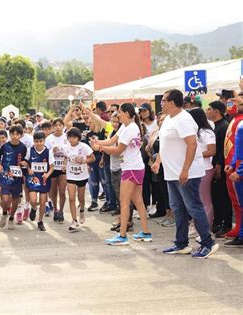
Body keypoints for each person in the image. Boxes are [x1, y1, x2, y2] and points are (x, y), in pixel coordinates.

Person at [153, 89, 219, 258]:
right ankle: (181, 243)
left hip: (186, 173)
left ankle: (207, 243)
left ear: (172, 102)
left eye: (164, 100)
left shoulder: (184, 119)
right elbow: (165, 145)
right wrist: (158, 161)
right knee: (178, 208)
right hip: (172, 173)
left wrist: (185, 170)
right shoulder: (168, 118)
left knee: (193, 207)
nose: (161, 103)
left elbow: (192, 144)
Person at [91, 103, 152, 245]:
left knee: (124, 202)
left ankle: (122, 236)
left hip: (131, 168)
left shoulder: (130, 128)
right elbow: (112, 140)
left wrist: (100, 147)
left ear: (126, 113)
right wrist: (98, 142)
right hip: (135, 167)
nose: (117, 115)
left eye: (119, 112)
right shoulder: (127, 127)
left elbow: (118, 150)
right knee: (138, 201)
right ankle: (146, 232)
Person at [206, 101, 232, 236]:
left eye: (209, 109)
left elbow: (223, 149)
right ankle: (218, 222)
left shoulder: (223, 126)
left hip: (220, 166)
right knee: (216, 196)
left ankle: (226, 224)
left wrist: (218, 165)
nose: (207, 111)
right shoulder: (215, 126)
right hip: (214, 164)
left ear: (216, 111)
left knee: (223, 196)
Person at [188, 108, 216, 233]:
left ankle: (207, 228)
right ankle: (197, 226)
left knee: (204, 199)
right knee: (195, 199)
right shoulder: (195, 132)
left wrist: (194, 154)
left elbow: (211, 151)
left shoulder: (207, 133)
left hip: (205, 169)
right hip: (195, 169)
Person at [63, 127, 95, 232]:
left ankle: (81, 209)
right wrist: (64, 165)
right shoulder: (66, 147)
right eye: (70, 137)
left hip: (82, 175)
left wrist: (83, 161)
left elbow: (93, 158)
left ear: (78, 138)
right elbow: (65, 158)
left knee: (81, 198)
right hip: (70, 176)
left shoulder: (84, 147)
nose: (72, 139)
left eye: (74, 137)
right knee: (71, 198)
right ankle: (74, 221)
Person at [0, 125, 27, 230]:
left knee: (15, 199)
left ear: (21, 135)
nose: (15, 136)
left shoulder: (23, 147)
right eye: (12, 134)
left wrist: (24, 163)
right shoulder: (5, 146)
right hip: (5, 175)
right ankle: (4, 213)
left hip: (17, 177)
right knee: (5, 199)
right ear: (9, 134)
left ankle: (11, 218)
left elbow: (25, 161)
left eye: (17, 134)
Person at [23, 131, 54, 231]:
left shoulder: (48, 152)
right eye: (36, 141)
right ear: (33, 141)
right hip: (33, 178)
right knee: (33, 200)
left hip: (44, 179)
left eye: (41, 141)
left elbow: (52, 167)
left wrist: (47, 174)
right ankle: (33, 208)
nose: (39, 143)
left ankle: (40, 221)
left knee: (42, 201)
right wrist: (28, 169)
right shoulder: (29, 150)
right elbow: (26, 162)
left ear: (44, 141)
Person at [224, 116, 243, 247]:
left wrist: (240, 171)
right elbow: (238, 149)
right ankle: (242, 235)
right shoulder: (239, 123)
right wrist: (232, 164)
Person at [45, 118, 67, 222]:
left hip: (63, 167)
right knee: (53, 191)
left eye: (60, 125)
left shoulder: (67, 137)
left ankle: (61, 211)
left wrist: (66, 163)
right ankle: (55, 210)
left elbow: (71, 150)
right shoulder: (49, 138)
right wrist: (51, 151)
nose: (58, 127)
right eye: (56, 125)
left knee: (62, 191)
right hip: (53, 167)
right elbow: (45, 152)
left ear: (63, 126)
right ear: (53, 127)